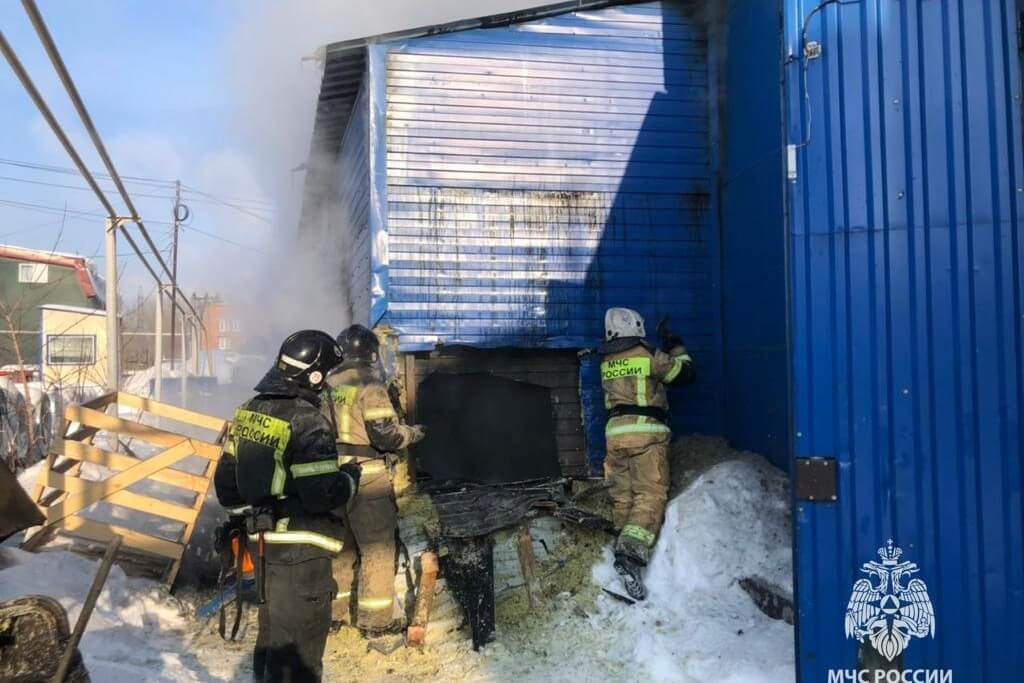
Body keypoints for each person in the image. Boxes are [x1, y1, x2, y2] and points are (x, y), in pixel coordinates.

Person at [214, 329, 360, 682]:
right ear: (314, 375)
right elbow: (321, 494)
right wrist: (350, 477)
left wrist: (253, 516)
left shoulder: (248, 412)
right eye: (326, 376)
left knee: (273, 639)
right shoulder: (309, 422)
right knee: (299, 656)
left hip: (264, 550)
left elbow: (227, 488)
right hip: (302, 555)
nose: (327, 384)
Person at [323, 324, 426, 637]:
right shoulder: (369, 383)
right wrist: (414, 433)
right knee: (378, 550)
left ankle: (333, 615)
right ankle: (376, 621)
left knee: (341, 550)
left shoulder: (327, 383)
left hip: (332, 476)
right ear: (369, 352)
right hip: (367, 476)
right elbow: (385, 436)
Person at [599, 308, 696, 600]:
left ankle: (620, 542)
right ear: (636, 326)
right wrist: (675, 345)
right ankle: (630, 557)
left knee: (623, 494)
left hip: (615, 435)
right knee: (650, 494)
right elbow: (685, 375)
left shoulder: (607, 360)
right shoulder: (647, 355)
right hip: (646, 434)